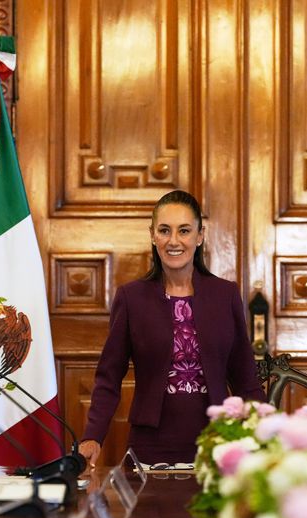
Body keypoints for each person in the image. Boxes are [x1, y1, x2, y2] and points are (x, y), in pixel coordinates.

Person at [79, 190, 266, 468]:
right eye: (165, 230)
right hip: (149, 448)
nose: (174, 241)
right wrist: (92, 436)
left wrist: (269, 436)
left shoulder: (225, 295)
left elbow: (245, 378)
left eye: (184, 230)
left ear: (200, 236)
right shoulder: (131, 298)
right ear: (153, 235)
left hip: (216, 443)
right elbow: (109, 377)